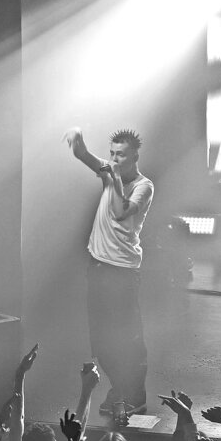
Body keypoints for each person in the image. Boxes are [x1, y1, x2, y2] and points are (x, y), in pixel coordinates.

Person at [63, 126, 155, 414]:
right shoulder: (109, 172)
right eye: (112, 154)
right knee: (102, 339)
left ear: (135, 157)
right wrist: (78, 145)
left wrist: (113, 178)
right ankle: (118, 387)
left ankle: (135, 396)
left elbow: (121, 211)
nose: (115, 159)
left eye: (121, 155)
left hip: (122, 272)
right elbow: (86, 156)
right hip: (98, 268)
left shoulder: (143, 186)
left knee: (126, 337)